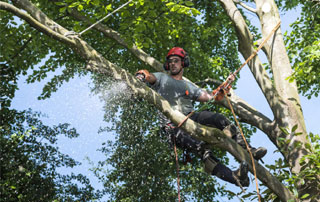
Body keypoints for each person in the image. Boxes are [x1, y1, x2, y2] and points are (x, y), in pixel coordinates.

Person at [135, 47, 267, 187]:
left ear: (183, 63)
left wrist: (224, 86)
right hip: (173, 127)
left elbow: (211, 97)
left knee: (219, 119)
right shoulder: (162, 77)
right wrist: (141, 76)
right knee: (203, 150)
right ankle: (237, 178)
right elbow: (149, 76)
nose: (173, 64)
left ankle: (249, 150)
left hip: (191, 117)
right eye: (170, 61)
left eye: (176, 61)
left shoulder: (188, 85)